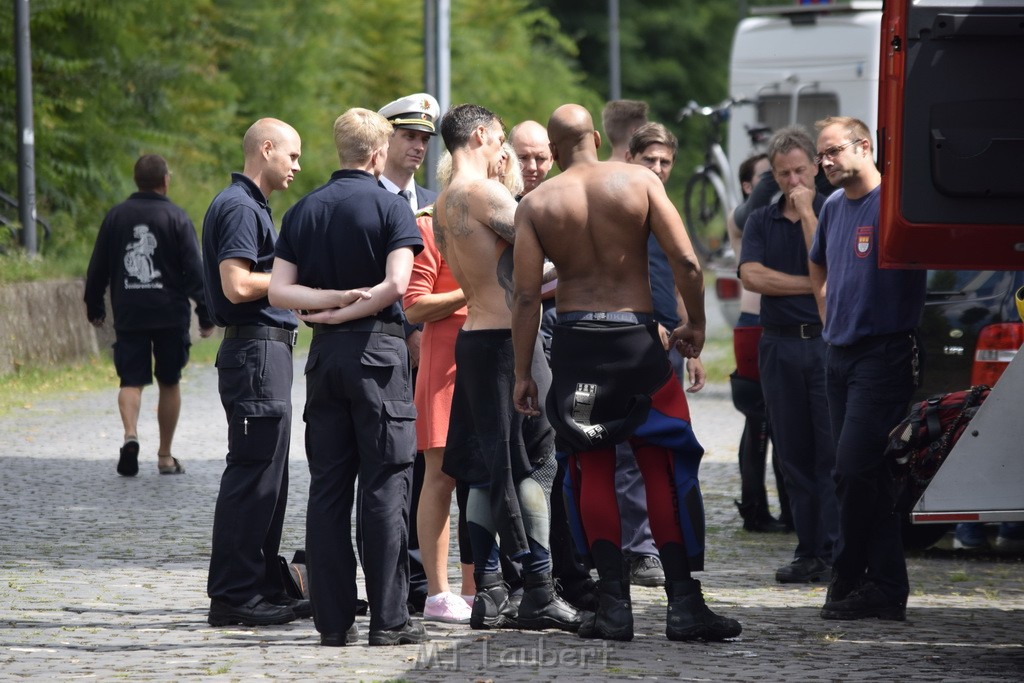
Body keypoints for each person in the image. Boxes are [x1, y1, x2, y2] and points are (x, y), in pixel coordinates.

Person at [512, 104, 741, 643]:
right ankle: (684, 605)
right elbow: (686, 261)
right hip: (635, 343)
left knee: (591, 467)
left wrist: (524, 372)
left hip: (577, 352)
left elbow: (524, 296)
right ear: (595, 136)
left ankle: (613, 609)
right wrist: (695, 325)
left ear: (554, 145)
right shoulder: (637, 180)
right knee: (660, 465)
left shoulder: (538, 202)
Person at [268, 107, 427, 647]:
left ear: (338, 150)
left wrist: (328, 308)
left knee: (328, 491)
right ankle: (389, 622)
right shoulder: (390, 207)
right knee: (385, 489)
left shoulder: (303, 210)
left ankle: (332, 623)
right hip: (379, 356)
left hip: (325, 360)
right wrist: (348, 308)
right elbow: (397, 286)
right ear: (379, 152)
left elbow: (279, 292)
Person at [434, 103, 581, 633]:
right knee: (536, 462)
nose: (503, 150)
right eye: (499, 139)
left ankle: (490, 591)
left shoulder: (443, 201)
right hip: (505, 345)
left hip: (473, 340)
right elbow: (535, 262)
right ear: (479, 135)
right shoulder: (487, 195)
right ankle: (539, 587)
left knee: (481, 469)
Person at [808, 116, 926, 621]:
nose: (826, 162)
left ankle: (849, 570)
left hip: (883, 354)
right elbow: (817, 261)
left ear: (865, 146)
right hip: (839, 354)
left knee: (854, 469)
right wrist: (823, 305)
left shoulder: (896, 204)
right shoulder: (834, 206)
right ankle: (885, 587)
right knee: (865, 474)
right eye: (822, 155)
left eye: (833, 151)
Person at [202, 118, 307, 628]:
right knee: (253, 474)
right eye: (291, 155)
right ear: (266, 149)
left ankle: (262, 583)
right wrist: (291, 283)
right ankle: (234, 594)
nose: (296, 165)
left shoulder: (250, 204)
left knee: (270, 475)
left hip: (265, 354)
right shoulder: (241, 207)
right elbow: (236, 285)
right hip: (256, 353)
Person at [738, 126, 838, 584]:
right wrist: (809, 285)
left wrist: (806, 218)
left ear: (816, 168)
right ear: (773, 176)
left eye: (801, 170)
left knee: (830, 450)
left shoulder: (832, 210)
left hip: (821, 341)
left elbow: (833, 267)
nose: (794, 181)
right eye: (784, 174)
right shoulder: (761, 219)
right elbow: (753, 276)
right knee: (792, 451)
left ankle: (837, 549)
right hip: (777, 342)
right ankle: (808, 549)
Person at [84, 153, 214, 477]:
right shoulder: (177, 217)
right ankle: (165, 457)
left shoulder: (115, 217)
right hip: (170, 314)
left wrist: (95, 305)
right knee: (169, 382)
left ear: (135, 179)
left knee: (130, 380)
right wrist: (206, 312)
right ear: (165, 180)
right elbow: (194, 270)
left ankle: (130, 435)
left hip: (130, 312)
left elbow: (98, 266)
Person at [377, 92, 441, 618]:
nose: (418, 147)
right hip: (381, 352)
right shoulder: (364, 199)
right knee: (379, 466)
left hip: (431, 357)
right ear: (385, 139)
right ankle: (386, 572)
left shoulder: (436, 206)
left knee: (426, 466)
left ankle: (420, 573)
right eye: (409, 136)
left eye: (424, 139)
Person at [727, 153, 791, 533]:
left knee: (783, 421)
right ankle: (755, 507)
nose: (780, 180)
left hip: (778, 322)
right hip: (754, 324)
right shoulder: (744, 216)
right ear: (749, 185)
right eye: (768, 176)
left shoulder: (781, 218)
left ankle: (788, 508)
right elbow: (758, 198)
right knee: (758, 421)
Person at [509, 120, 554, 197]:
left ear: (551, 160)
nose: (532, 167)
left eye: (540, 158)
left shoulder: (560, 202)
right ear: (508, 157)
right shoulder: (492, 202)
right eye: (523, 158)